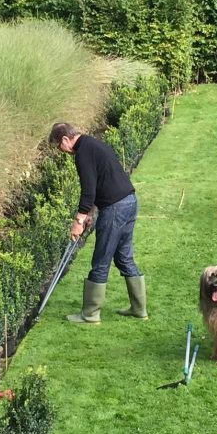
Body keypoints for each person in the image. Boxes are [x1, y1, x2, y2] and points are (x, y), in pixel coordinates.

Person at [49, 121, 147, 324]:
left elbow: (88, 190)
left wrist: (79, 220)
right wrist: (90, 213)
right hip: (129, 202)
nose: (61, 151)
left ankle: (90, 314)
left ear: (65, 139)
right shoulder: (93, 144)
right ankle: (139, 309)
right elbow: (101, 182)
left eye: (59, 146)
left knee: (101, 260)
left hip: (115, 209)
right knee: (124, 257)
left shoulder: (82, 153)